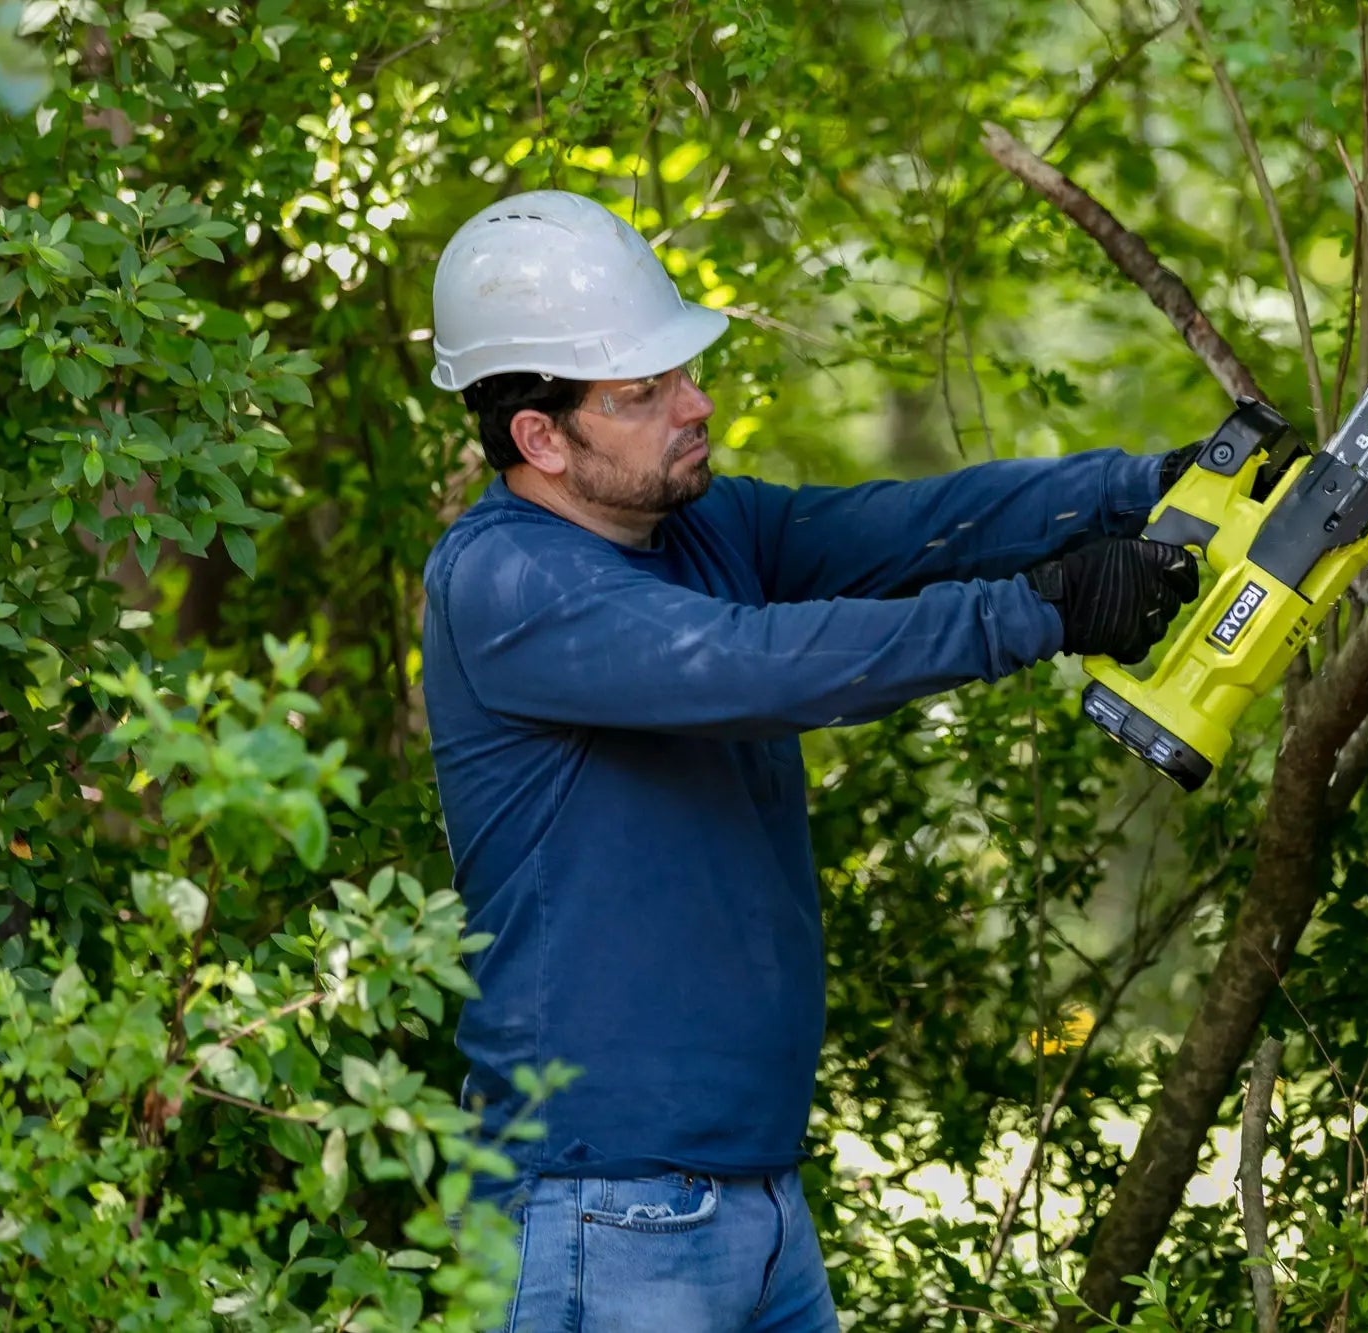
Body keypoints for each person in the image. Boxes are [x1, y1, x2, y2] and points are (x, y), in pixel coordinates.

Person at [419, 190, 1201, 1332]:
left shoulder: (708, 530)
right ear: (539, 437)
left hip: (756, 1204)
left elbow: (921, 524)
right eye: (645, 394)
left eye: (683, 372)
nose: (697, 403)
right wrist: (1043, 613)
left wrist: (1147, 485)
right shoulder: (505, 584)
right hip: (598, 1205)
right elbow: (756, 663)